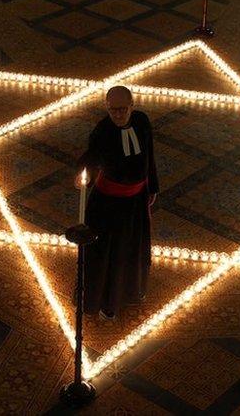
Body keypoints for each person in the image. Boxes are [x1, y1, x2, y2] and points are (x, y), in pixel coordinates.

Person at [77, 86, 159, 320]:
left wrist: (152, 186)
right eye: (113, 110)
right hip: (108, 206)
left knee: (131, 251)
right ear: (107, 107)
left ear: (132, 106)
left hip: (136, 202)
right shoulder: (102, 131)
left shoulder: (142, 122)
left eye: (123, 109)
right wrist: (83, 174)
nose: (118, 114)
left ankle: (132, 292)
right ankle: (105, 301)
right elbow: (91, 157)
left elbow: (149, 156)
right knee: (109, 257)